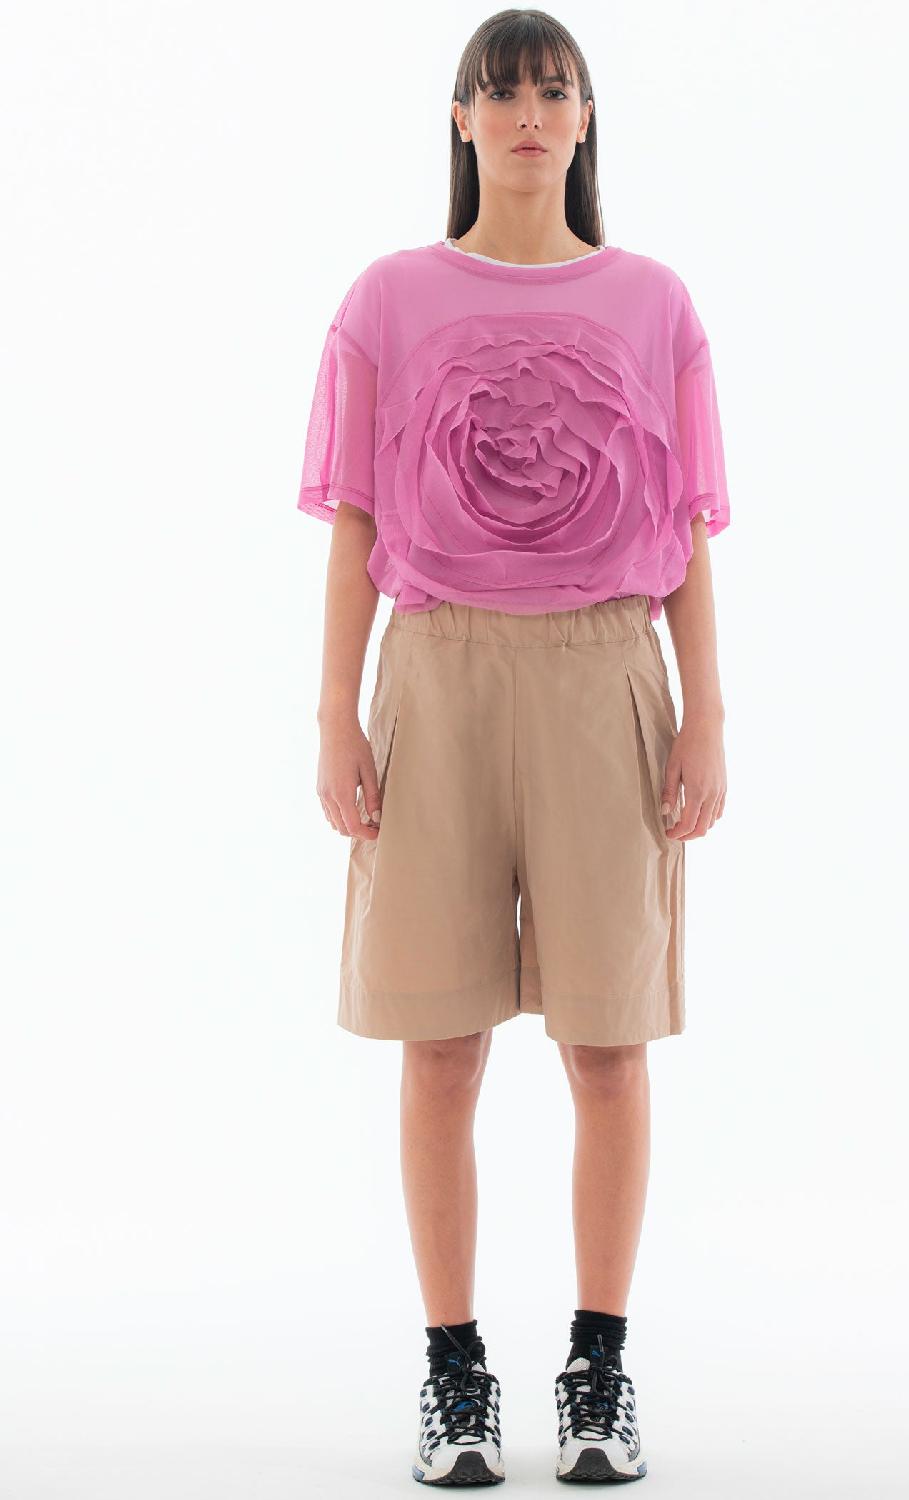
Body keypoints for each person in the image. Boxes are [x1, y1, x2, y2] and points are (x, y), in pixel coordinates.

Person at [296, 9, 730, 1486]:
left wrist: (708, 711)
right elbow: (356, 519)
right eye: (503, 92)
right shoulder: (389, 298)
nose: (530, 113)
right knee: (441, 1040)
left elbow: (688, 532)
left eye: (555, 89)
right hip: (439, 672)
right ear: (462, 120)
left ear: (587, 119)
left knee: (609, 1043)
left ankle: (599, 1369)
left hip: (608, 672)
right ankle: (454, 1375)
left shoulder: (654, 302)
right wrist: (335, 710)